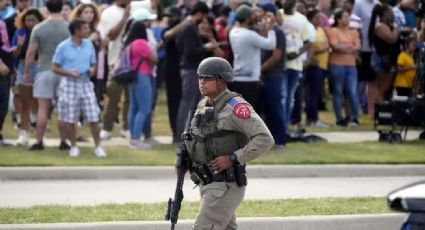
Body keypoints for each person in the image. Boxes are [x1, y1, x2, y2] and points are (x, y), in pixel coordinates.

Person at [183, 57, 274, 229]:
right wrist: (183, 156)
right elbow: (194, 136)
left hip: (225, 184)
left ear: (222, 80)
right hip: (207, 182)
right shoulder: (204, 104)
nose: (201, 82)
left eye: (207, 78)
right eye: (200, 77)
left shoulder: (235, 107)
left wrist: (233, 158)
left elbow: (265, 138)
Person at [52, 19, 106, 158]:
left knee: (94, 117)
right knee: (70, 118)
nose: (88, 31)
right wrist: (68, 72)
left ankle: (98, 146)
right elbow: (55, 67)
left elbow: (93, 63)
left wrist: (92, 70)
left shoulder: (89, 45)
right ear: (76, 31)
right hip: (69, 84)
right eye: (85, 28)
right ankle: (74, 146)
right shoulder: (63, 47)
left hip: (86, 83)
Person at [25, 0, 70, 151]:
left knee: (42, 108)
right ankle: (64, 141)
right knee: (63, 108)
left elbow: (31, 52)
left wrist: (26, 71)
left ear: (47, 8)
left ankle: (39, 141)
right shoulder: (68, 27)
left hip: (45, 69)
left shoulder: (39, 28)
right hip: (64, 71)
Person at [229, 4, 276, 110]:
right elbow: (270, 45)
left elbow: (258, 39)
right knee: (247, 112)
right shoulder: (249, 35)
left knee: (237, 110)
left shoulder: (233, 32)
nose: (253, 18)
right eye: (251, 16)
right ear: (247, 18)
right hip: (250, 80)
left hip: (237, 77)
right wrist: (271, 28)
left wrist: (264, 26)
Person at [98, 0, 131, 140]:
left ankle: (127, 127)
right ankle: (106, 128)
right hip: (116, 61)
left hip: (135, 61)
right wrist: (125, 17)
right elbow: (111, 36)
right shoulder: (108, 13)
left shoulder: (138, 9)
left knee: (130, 98)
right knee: (113, 96)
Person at [123, 21, 157, 149]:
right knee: (144, 108)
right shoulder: (141, 43)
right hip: (143, 76)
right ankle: (136, 139)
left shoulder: (129, 44)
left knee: (134, 107)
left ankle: (133, 138)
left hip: (132, 77)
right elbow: (154, 59)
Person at [12, 8, 44, 146]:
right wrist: (19, 45)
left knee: (38, 102)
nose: (30, 23)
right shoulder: (20, 32)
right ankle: (23, 134)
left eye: (33, 20)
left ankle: (38, 136)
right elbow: (14, 54)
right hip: (22, 66)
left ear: (39, 21)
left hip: (40, 67)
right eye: (27, 20)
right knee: (25, 102)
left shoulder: (42, 33)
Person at [327, 9, 361, 126]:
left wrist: (345, 47)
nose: (348, 19)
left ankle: (354, 117)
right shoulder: (333, 31)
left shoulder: (354, 32)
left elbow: (357, 46)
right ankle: (339, 119)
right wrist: (350, 46)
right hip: (337, 65)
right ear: (339, 19)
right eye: (345, 17)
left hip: (351, 65)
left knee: (352, 91)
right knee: (338, 92)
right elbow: (335, 46)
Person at [368, 4, 401, 118]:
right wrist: (397, 30)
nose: (393, 15)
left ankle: (382, 111)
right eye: (390, 12)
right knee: (383, 87)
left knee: (386, 87)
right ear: (385, 14)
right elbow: (391, 39)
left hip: (390, 58)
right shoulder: (381, 26)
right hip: (383, 59)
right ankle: (378, 112)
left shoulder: (387, 25)